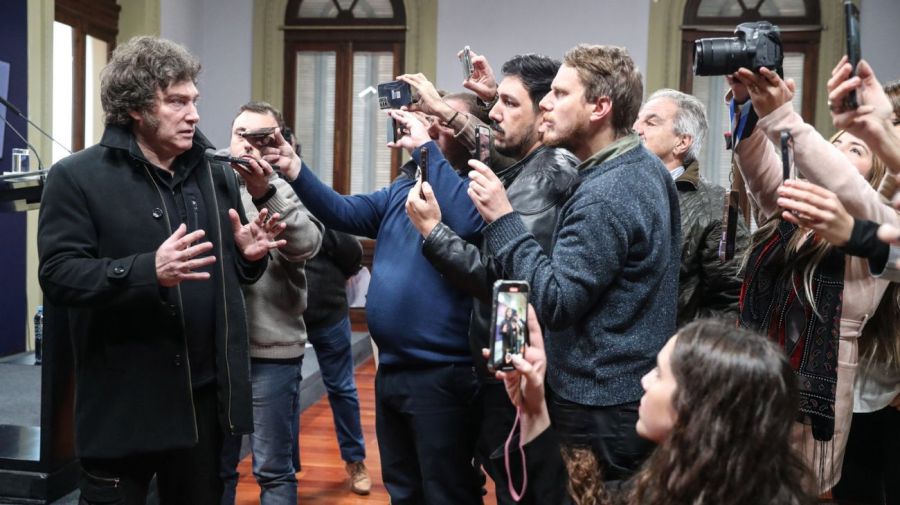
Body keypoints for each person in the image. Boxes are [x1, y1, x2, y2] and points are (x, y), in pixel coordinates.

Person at [37, 36, 285, 504]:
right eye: (176, 101)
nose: (193, 114)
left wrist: (248, 259)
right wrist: (146, 269)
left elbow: (223, 276)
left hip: (202, 408)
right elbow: (58, 275)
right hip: (122, 409)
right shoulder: (76, 177)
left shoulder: (215, 174)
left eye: (194, 101)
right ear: (135, 107)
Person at [465, 43, 680, 483]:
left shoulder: (606, 193)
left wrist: (504, 219)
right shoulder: (643, 164)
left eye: (561, 94)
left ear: (600, 107)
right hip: (623, 388)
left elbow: (556, 301)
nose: (546, 102)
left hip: (597, 403)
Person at [272, 103, 485, 504]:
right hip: (392, 370)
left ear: (472, 132)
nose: (430, 129)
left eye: (443, 123)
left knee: (447, 491)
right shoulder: (403, 189)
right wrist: (294, 167)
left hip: (443, 374)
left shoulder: (474, 191)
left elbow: (469, 224)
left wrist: (425, 148)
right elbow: (341, 211)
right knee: (402, 488)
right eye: (427, 123)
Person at [404, 53, 577, 503]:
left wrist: (434, 232)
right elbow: (493, 139)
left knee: (514, 483)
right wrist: (454, 108)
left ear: (545, 114)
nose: (494, 114)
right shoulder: (526, 162)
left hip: (516, 363)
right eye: (494, 102)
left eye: (508, 103)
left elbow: (502, 278)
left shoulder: (547, 174)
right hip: (507, 361)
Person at [729, 62, 898, 493]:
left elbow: (854, 194)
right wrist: (748, 104)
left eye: (856, 150)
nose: (838, 153)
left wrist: (786, 118)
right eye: (834, 143)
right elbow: (757, 167)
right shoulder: (798, 212)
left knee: (799, 491)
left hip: (816, 389)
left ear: (877, 173)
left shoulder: (875, 219)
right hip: (760, 371)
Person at [494, 310, 814, 505]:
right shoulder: (690, 477)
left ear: (699, 406)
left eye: (660, 373)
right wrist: (533, 404)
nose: (645, 381)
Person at [220, 101, 323, 505]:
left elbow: (308, 245)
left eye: (260, 137)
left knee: (273, 470)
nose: (248, 145)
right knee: (218, 466)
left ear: (275, 143)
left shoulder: (289, 186)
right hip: (220, 350)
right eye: (241, 134)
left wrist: (266, 193)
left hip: (273, 349)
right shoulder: (209, 184)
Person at [633, 89, 749, 326]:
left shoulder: (717, 206)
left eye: (651, 122)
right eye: (637, 119)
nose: (636, 128)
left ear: (682, 142)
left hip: (673, 352)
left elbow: (730, 302)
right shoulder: (615, 187)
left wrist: (684, 351)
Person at [303, 227, 372, 495]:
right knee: (285, 395)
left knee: (343, 389)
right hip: (285, 319)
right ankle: (286, 469)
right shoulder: (261, 204)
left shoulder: (316, 206)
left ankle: (355, 462)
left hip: (330, 314)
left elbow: (352, 252)